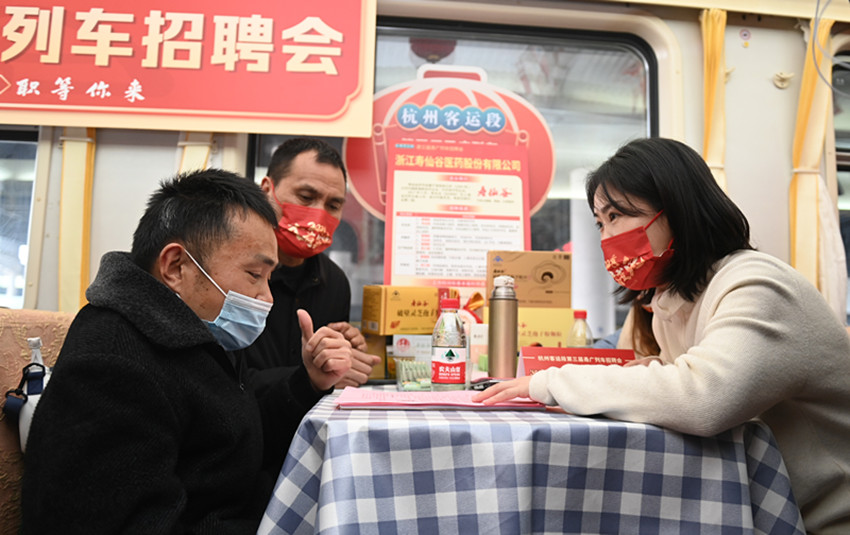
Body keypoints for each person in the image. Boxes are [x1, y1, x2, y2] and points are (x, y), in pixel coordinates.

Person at [474, 137, 850, 533]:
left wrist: (552, 382)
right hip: (759, 505)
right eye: (600, 223)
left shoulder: (757, 284)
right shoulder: (673, 303)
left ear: (679, 210)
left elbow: (703, 399)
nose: (606, 237)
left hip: (823, 520)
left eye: (617, 215)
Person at [21, 169, 351, 533]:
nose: (267, 297)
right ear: (176, 267)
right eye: (254, 274)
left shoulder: (199, 329)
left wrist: (308, 382)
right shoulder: (112, 367)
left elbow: (236, 440)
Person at [234, 137, 380, 396]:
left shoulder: (334, 282)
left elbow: (326, 380)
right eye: (305, 197)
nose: (319, 214)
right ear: (267, 190)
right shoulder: (232, 270)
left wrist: (340, 356)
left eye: (333, 205)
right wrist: (311, 378)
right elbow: (223, 382)